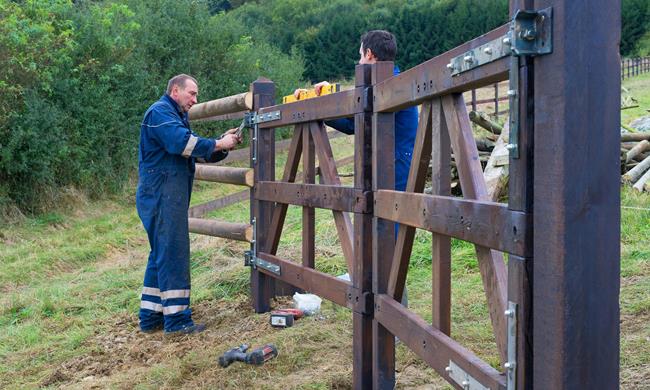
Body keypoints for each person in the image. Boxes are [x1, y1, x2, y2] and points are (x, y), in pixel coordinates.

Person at [296, 30, 418, 305]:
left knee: (388, 236)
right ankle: (375, 294)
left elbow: (357, 117)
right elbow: (354, 124)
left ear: (369, 55)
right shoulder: (380, 84)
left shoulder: (391, 84)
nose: (358, 60)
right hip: (387, 164)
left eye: (360, 54)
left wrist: (330, 101)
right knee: (377, 231)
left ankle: (395, 311)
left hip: (395, 165)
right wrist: (323, 103)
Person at [136, 74, 241, 335]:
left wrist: (222, 144)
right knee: (173, 252)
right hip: (161, 195)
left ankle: (151, 317)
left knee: (161, 252)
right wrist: (219, 142)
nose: (195, 99)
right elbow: (181, 143)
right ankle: (178, 320)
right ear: (175, 91)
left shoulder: (174, 115)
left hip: (163, 194)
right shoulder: (160, 113)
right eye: (191, 93)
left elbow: (193, 151)